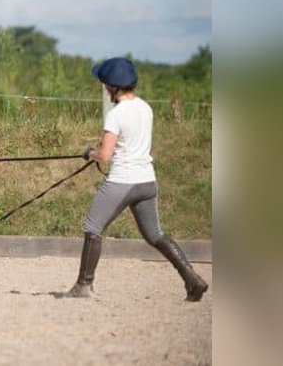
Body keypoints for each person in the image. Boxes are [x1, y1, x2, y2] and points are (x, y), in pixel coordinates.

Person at [65, 57, 208, 301]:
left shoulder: (116, 114)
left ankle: (83, 286)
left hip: (122, 180)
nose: (104, 88)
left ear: (113, 86)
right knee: (155, 235)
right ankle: (192, 280)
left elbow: (106, 156)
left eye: (105, 84)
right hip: (146, 182)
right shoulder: (145, 108)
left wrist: (90, 153)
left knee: (93, 228)